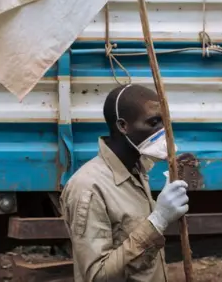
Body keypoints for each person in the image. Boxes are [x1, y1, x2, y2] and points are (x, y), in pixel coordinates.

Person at [59, 84, 189, 281]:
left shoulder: (138, 170)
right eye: (154, 123)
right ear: (123, 126)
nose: (164, 132)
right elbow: (97, 276)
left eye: (164, 122)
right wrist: (158, 221)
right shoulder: (88, 188)